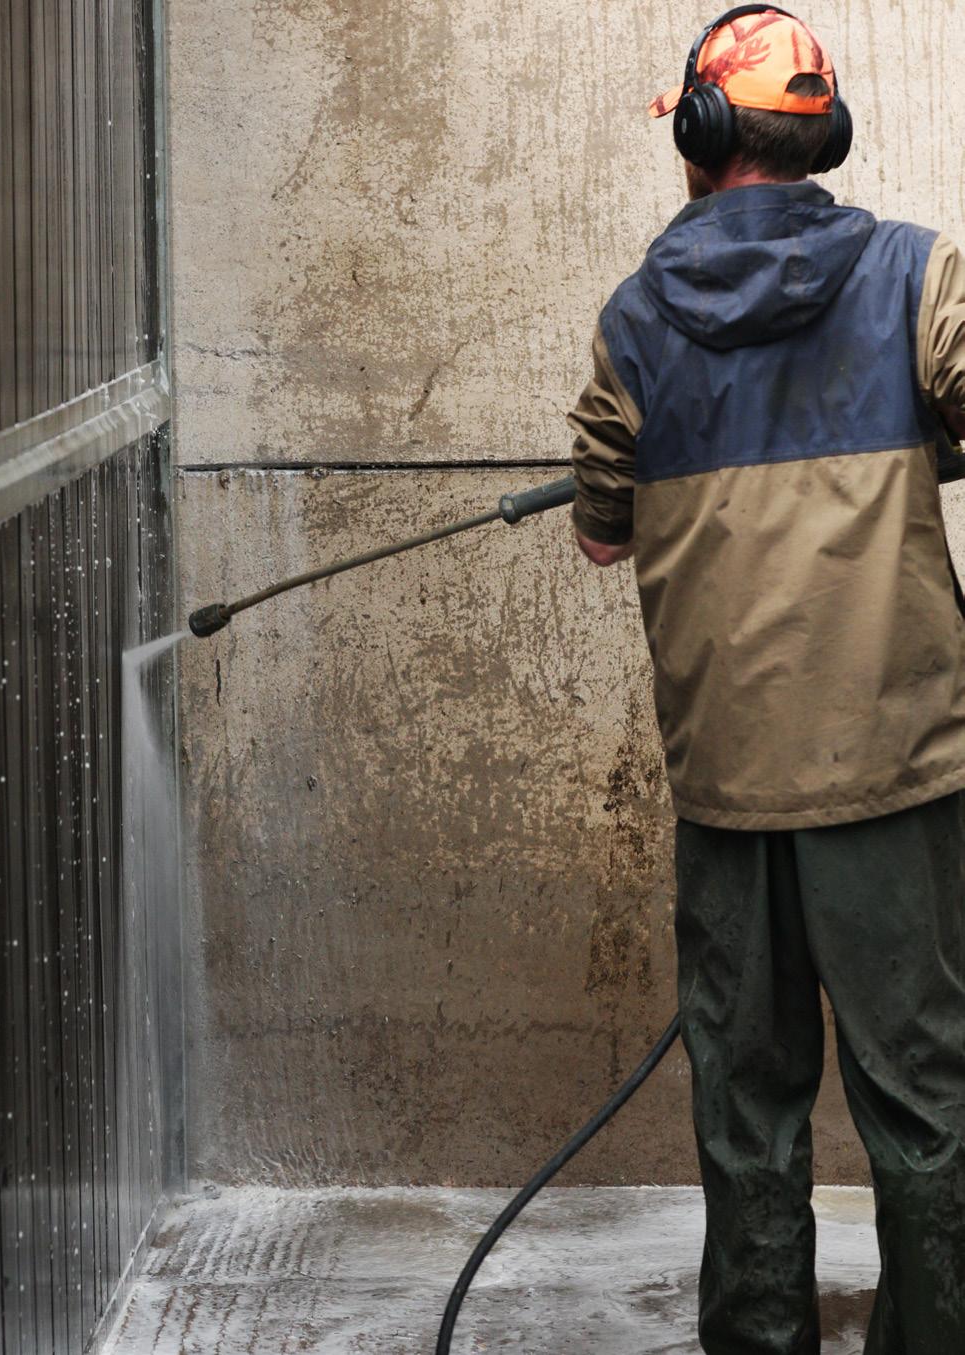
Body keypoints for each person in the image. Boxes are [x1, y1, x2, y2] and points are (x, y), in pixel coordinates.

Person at [568, 6, 965, 1352]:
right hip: (899, 773)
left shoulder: (635, 323)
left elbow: (601, 531)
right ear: (820, 132)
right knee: (927, 1102)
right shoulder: (919, 278)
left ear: (698, 131)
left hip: (731, 788)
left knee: (748, 1111)